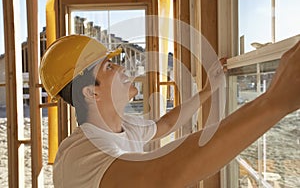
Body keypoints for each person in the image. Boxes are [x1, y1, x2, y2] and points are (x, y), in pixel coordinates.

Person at [39, 34, 300, 188]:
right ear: (91, 92)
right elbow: (162, 175)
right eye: (108, 67)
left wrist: (207, 90)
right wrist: (272, 102)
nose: (120, 69)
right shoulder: (79, 154)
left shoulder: (125, 126)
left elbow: (165, 124)